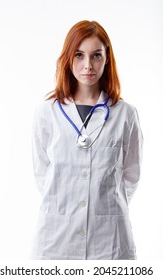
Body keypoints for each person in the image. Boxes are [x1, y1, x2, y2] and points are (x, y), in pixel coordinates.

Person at [31, 20, 143, 260]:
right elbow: (42, 173)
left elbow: (131, 176)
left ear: (107, 58)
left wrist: (103, 206)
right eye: (79, 55)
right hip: (56, 238)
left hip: (109, 239)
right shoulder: (46, 113)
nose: (87, 65)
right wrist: (67, 203)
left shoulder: (126, 114)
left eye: (96, 55)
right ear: (68, 58)